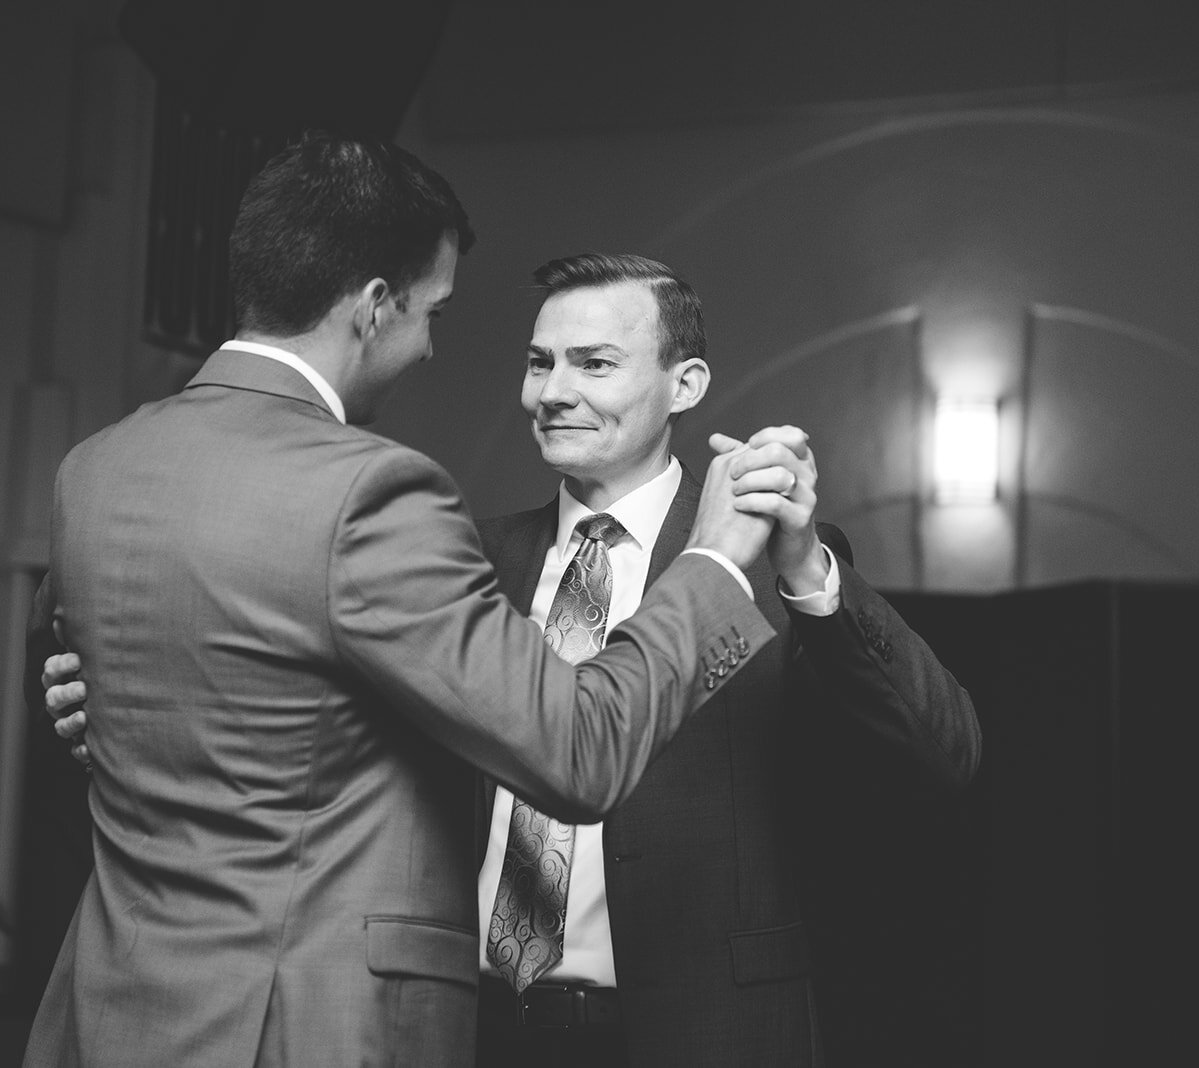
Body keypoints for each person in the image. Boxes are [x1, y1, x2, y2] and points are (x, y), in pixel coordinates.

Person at [20, 139, 795, 1068]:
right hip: (297, 1024)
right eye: (432, 312)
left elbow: (94, 684)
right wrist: (713, 560)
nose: (430, 344)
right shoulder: (373, 492)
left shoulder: (94, 468)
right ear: (376, 306)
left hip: (111, 1009)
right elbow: (578, 753)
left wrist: (81, 701)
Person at [467, 253, 981, 1066]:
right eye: (541, 362)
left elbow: (944, 749)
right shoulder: (476, 562)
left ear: (687, 384)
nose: (552, 392)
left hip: (704, 1032)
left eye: (594, 363)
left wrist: (808, 570)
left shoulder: (771, 561)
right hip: (480, 1034)